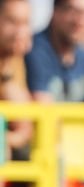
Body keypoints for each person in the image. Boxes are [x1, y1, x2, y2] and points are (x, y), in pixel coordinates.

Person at [25, 0, 84, 102]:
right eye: (74, 11)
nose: (81, 21)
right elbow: (43, 106)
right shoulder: (33, 48)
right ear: (55, 11)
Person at [0, 0, 32, 154]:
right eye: (12, 22)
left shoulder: (16, 59)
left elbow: (24, 126)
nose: (20, 32)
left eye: (25, 23)